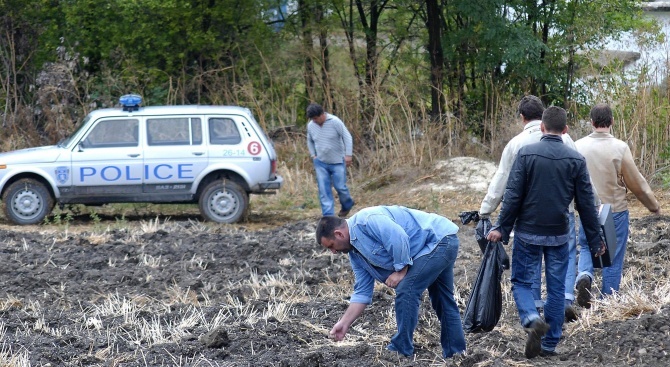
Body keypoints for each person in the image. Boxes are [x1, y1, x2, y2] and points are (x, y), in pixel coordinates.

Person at [486, 106, 604, 358]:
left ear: (541, 127)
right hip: (560, 234)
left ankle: (530, 317)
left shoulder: (526, 154)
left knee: (520, 281)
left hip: (528, 233)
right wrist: (595, 239)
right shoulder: (575, 159)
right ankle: (549, 344)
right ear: (565, 130)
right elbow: (586, 204)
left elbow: (513, 197)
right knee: (557, 288)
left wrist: (501, 228)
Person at [479, 95, 582, 321]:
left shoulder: (516, 144)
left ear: (522, 117)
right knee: (562, 262)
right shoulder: (567, 140)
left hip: (529, 218)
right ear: (543, 115)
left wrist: (486, 210)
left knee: (529, 264)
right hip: (561, 216)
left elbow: (502, 181)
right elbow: (581, 176)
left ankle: (533, 307)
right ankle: (563, 299)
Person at [316, 205, 466, 358]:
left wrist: (401, 270)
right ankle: (456, 353)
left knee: (407, 289)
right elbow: (362, 292)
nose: (333, 252)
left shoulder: (367, 220)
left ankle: (400, 350)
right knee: (443, 299)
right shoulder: (355, 255)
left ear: (339, 234)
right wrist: (344, 323)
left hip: (439, 240)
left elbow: (398, 236)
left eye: (331, 246)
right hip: (433, 245)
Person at [574, 103, 661, 307]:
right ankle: (608, 301)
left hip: (587, 210)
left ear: (592, 122)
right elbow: (636, 182)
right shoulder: (619, 148)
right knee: (613, 255)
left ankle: (585, 275)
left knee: (586, 246)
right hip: (615, 210)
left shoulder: (578, 146)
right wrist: (652, 205)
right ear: (612, 121)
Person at [306, 103, 355, 217]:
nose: (314, 121)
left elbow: (347, 137)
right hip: (321, 162)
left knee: (340, 187)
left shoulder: (335, 121)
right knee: (323, 189)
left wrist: (348, 155)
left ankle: (347, 204)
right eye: (312, 119)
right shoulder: (311, 125)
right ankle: (328, 215)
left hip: (338, 161)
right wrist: (313, 155)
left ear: (322, 114)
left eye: (316, 118)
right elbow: (309, 140)